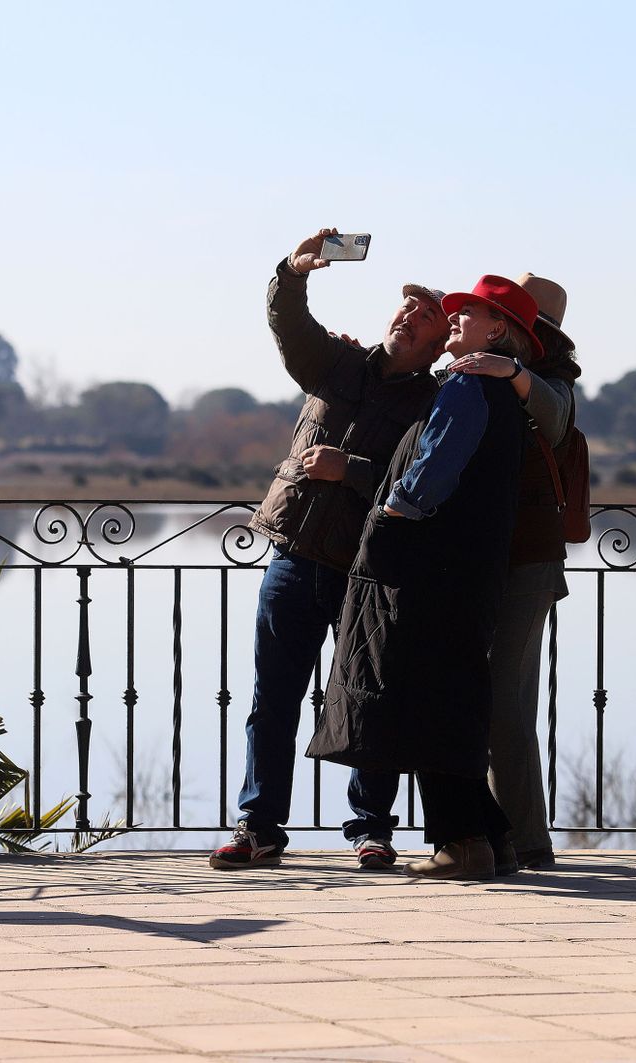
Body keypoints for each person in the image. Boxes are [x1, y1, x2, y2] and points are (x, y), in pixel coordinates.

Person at [209, 228, 451, 871]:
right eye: (405, 306)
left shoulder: (434, 404)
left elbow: (424, 483)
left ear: (437, 342)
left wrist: (353, 470)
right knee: (272, 701)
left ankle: (371, 830)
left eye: (426, 315)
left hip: (369, 571)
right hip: (292, 557)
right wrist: (293, 270)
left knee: (368, 700)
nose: (408, 316)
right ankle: (258, 828)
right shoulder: (336, 364)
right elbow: (288, 323)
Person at [306, 275, 543, 880]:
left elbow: (437, 464)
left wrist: (396, 508)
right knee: (450, 696)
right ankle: (491, 838)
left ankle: (461, 843)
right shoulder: (505, 396)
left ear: (498, 330)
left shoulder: (467, 384)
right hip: (467, 569)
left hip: (429, 566)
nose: (456, 319)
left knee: (425, 699)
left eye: (470, 313)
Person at [446, 273, 580, 873]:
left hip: (529, 561)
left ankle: (526, 841)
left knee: (505, 701)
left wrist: (515, 376)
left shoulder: (549, 383)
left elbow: (553, 419)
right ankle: (502, 836)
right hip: (484, 559)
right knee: (489, 698)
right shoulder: (473, 374)